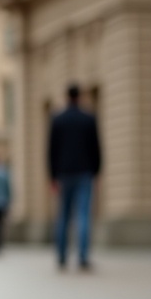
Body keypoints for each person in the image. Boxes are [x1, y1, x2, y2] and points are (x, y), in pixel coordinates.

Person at [49, 84, 101, 270]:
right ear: (79, 97)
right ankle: (83, 257)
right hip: (84, 172)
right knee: (83, 215)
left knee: (63, 215)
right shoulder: (88, 118)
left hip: (63, 173)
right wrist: (96, 172)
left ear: (66, 96)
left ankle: (62, 256)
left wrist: (52, 176)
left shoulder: (58, 119)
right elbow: (96, 148)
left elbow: (52, 150)